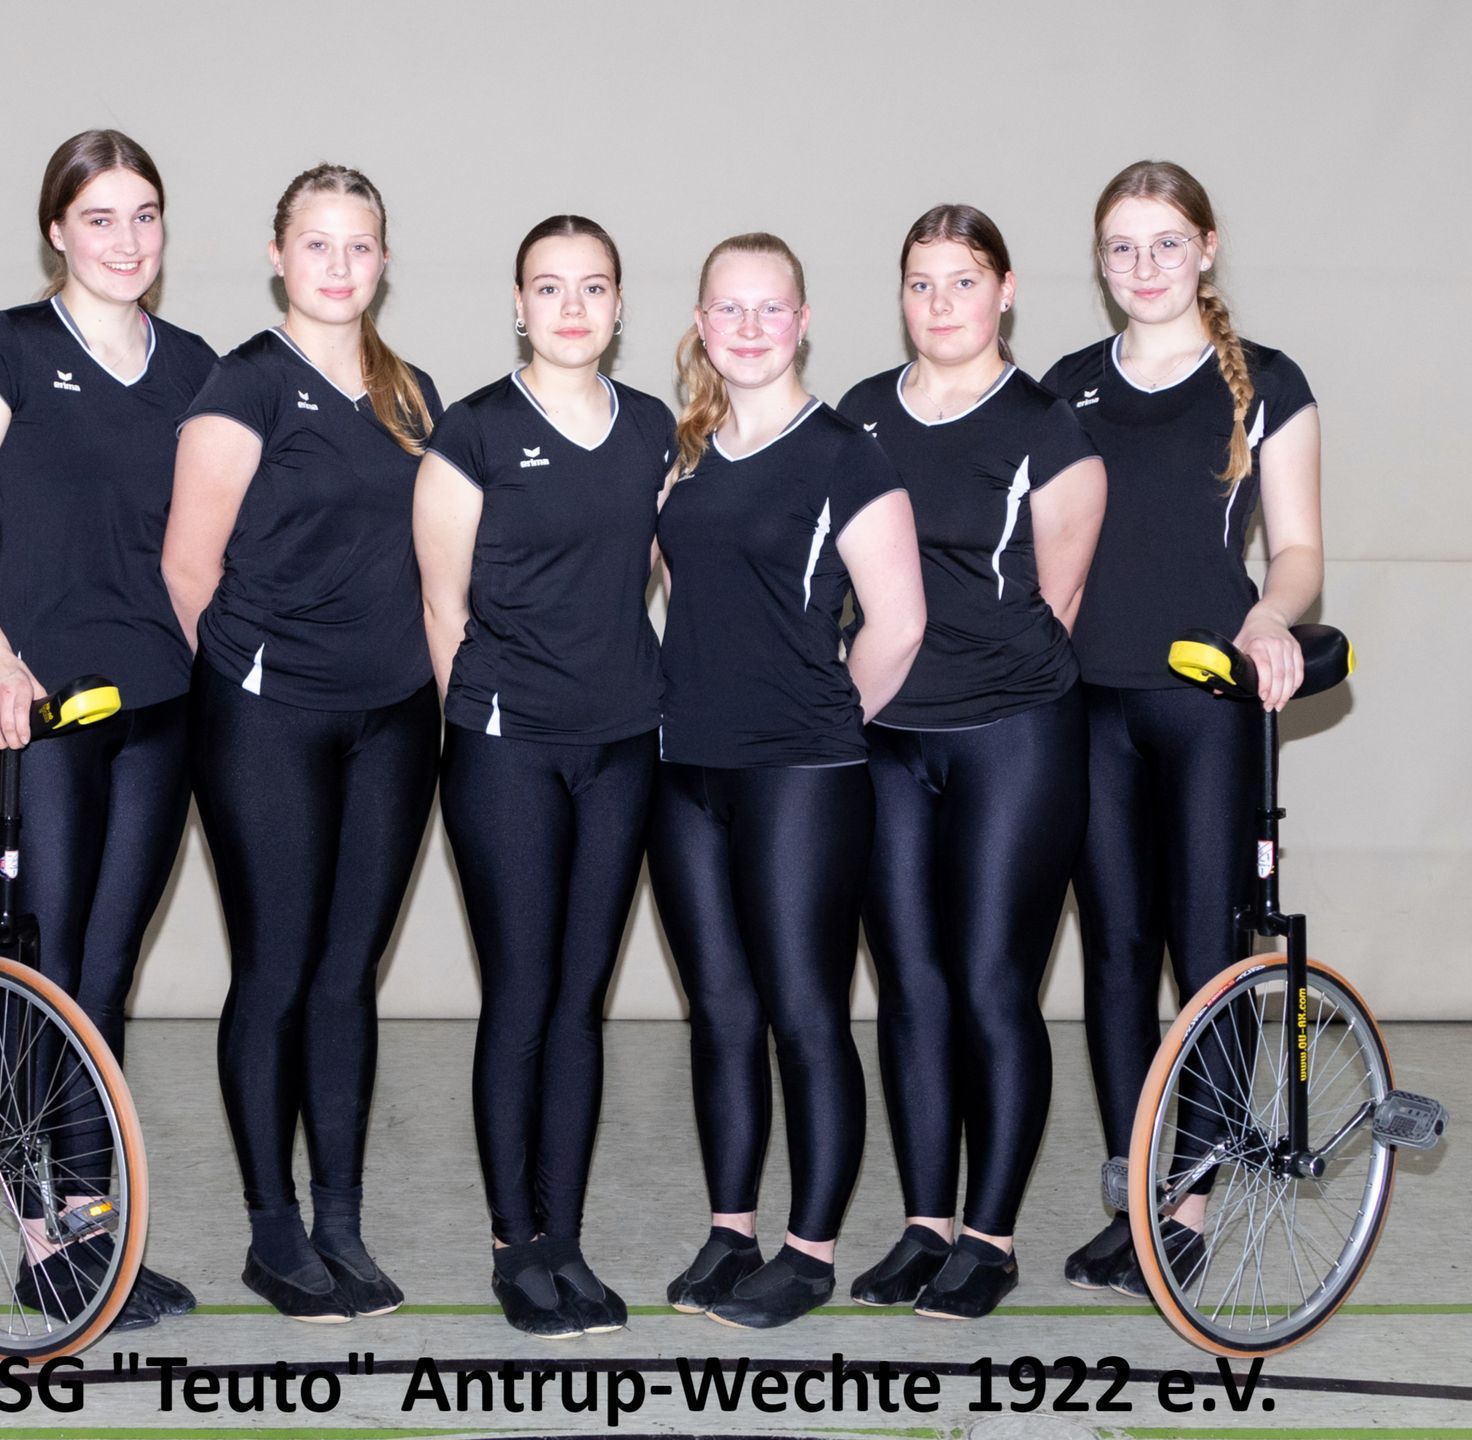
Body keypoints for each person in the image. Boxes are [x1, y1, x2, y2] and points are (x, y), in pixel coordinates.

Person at [0, 128, 214, 1331]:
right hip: (39, 710)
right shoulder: (9, 348)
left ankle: (93, 1235)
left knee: (105, 974)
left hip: (159, 705)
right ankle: (40, 1240)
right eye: (99, 218)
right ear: (56, 230)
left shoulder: (192, 365)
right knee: (39, 966)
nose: (126, 240)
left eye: (144, 215)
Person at [161, 163, 442, 1324]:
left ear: (384, 259)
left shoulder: (413, 393)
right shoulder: (244, 386)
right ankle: (272, 1230)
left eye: (359, 244)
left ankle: (339, 1220)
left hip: (395, 720)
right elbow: (188, 570)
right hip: (269, 720)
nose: (339, 265)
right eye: (317, 244)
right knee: (277, 968)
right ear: (278, 256)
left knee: (346, 973)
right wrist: (257, 684)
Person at [1042, 160, 1323, 1296]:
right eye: (1122, 247)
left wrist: (1268, 615)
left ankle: (1190, 1204)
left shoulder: (1267, 382)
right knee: (1114, 955)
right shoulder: (1067, 386)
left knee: (1205, 954)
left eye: (1166, 243)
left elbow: (1297, 549)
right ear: (1100, 262)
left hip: (1205, 703)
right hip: (1086, 703)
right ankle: (1137, 1196)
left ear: (1206, 249)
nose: (1144, 266)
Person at [650, 232, 926, 1330]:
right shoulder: (685, 454)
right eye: (730, 308)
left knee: (806, 1013)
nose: (750, 328)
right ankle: (732, 1232)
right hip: (685, 769)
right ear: (702, 323)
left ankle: (809, 1253)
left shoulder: (846, 455)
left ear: (803, 322)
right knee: (720, 1012)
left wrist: (820, 724)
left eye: (772, 308)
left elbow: (900, 623)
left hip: (801, 773)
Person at [838, 205, 1105, 1320]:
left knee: (994, 985)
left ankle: (989, 1239)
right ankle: (925, 1226)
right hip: (887, 743)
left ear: (1005, 292)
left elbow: (1059, 603)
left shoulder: (1048, 430)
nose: (940, 302)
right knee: (909, 987)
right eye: (920, 282)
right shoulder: (857, 416)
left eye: (962, 281)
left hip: (1013, 737)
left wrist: (977, 690)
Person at [413, 215, 674, 1340]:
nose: (573, 307)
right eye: (550, 287)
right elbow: (443, 608)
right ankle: (513, 1246)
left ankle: (564, 1239)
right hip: (506, 749)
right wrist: (485, 725)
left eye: (594, 286)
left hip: (622, 748)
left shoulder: (656, 429)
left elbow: (654, 571)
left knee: (580, 1002)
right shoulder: (472, 431)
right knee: (521, 996)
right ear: (517, 306)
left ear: (620, 305)